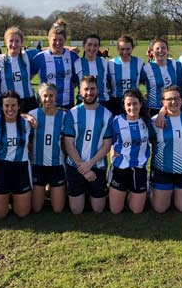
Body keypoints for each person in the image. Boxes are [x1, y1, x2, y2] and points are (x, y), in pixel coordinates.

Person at [62, 75, 113, 214]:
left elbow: (107, 145)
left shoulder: (107, 114)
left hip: (97, 167)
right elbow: (69, 144)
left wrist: (89, 165)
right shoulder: (72, 113)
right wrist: (82, 167)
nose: (89, 93)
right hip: (75, 166)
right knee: (76, 210)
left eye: (92, 89)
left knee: (98, 209)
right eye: (86, 89)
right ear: (80, 91)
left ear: (98, 90)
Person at [149, 85, 182, 213]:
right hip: (162, 170)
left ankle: (177, 191)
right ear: (163, 102)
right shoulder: (155, 121)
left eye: (176, 98)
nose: (174, 102)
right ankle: (154, 189)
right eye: (169, 99)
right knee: (160, 209)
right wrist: (161, 113)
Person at [0, 91, 33, 219]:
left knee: (22, 213)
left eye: (13, 105)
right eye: (6, 105)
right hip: (0, 168)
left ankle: (15, 198)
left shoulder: (27, 123)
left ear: (19, 106)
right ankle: (5, 197)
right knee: (0, 215)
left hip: (21, 167)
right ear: (1, 107)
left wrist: (26, 115)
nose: (10, 109)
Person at [109, 89, 152, 214]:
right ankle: (123, 192)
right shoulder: (116, 121)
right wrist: (112, 150)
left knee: (136, 210)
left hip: (139, 168)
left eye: (135, 103)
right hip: (120, 167)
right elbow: (108, 141)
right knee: (115, 211)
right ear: (124, 105)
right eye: (129, 104)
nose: (132, 107)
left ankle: (132, 193)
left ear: (141, 104)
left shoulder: (148, 122)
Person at [29, 83, 67, 213]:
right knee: (37, 209)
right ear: (39, 97)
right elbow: (13, 116)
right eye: (45, 96)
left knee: (58, 210)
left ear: (56, 97)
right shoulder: (32, 115)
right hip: (37, 165)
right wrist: (25, 115)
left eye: (51, 96)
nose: (48, 99)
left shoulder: (64, 116)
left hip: (57, 165)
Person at [31, 18, 79, 109]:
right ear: (48, 39)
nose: (57, 43)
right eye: (54, 40)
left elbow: (77, 80)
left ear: (65, 40)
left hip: (67, 104)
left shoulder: (73, 57)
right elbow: (28, 79)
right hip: (45, 104)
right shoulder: (39, 57)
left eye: (60, 40)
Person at [0, 26, 39, 113]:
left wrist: (70, 49)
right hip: (8, 103)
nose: (14, 44)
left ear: (21, 42)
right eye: (11, 41)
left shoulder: (28, 55)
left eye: (17, 41)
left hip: (28, 102)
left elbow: (51, 49)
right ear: (5, 42)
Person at [140, 37, 178, 116]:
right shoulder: (146, 68)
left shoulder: (174, 63)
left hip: (173, 107)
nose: (160, 50)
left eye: (163, 48)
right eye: (157, 48)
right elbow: (138, 83)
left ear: (167, 50)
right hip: (154, 109)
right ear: (152, 52)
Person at [74, 33, 111, 111]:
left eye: (95, 45)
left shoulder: (104, 62)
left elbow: (109, 81)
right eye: (89, 44)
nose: (92, 48)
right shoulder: (77, 63)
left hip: (103, 102)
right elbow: (74, 83)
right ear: (84, 46)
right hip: (83, 102)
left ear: (98, 47)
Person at [108, 34, 144, 116]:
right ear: (118, 49)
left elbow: (144, 80)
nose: (125, 52)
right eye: (122, 49)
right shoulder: (111, 63)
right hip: (116, 102)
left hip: (134, 102)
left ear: (132, 48)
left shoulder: (139, 62)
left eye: (128, 49)